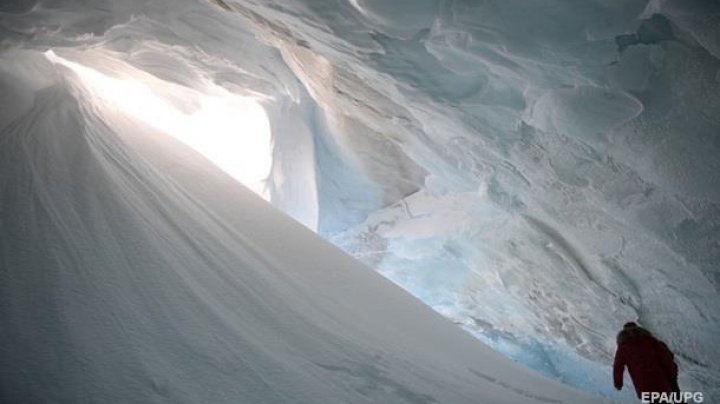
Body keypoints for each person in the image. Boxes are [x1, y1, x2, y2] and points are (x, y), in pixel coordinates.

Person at [613, 322, 679, 400]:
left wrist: (618, 383)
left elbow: (618, 367)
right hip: (659, 380)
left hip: (643, 385)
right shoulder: (650, 341)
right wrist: (672, 372)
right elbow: (665, 356)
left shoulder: (622, 348)